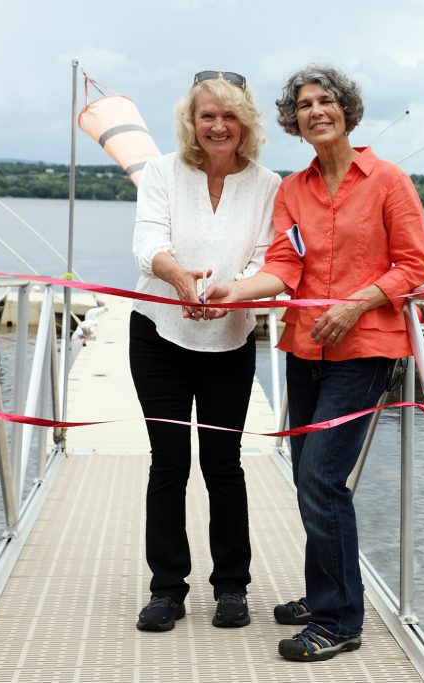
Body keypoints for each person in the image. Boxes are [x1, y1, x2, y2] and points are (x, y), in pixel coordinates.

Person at [204, 64, 424, 661]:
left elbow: (414, 266)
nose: (315, 111)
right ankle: (325, 589)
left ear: (347, 110)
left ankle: (338, 620)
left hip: (365, 351)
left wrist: (355, 305)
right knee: (311, 479)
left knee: (321, 480)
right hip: (306, 351)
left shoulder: (388, 181)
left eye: (325, 100)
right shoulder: (292, 190)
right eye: (304, 105)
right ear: (294, 120)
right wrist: (236, 289)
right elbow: (285, 266)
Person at [129, 70, 280, 632]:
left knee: (223, 464)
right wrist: (179, 280)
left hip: (230, 336)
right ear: (191, 122)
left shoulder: (269, 184)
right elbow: (149, 242)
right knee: (169, 462)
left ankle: (232, 588)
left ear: (247, 121)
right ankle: (167, 590)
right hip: (158, 332)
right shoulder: (162, 172)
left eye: (229, 115)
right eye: (206, 115)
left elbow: (268, 258)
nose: (218, 125)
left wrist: (227, 292)